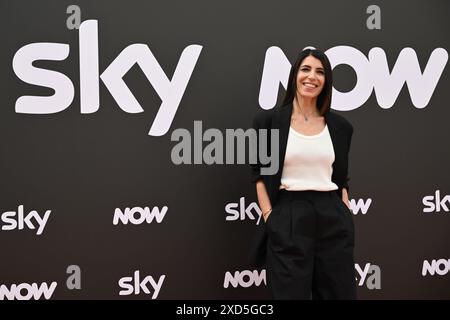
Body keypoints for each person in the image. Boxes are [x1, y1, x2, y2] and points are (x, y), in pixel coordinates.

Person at [249, 48, 356, 300]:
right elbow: (259, 176)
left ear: (326, 81)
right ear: (294, 75)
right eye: (305, 69)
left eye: (320, 72)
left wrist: (344, 210)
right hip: (289, 216)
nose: (312, 77)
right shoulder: (268, 122)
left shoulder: (341, 127)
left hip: (332, 218)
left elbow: (341, 178)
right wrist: (270, 216)